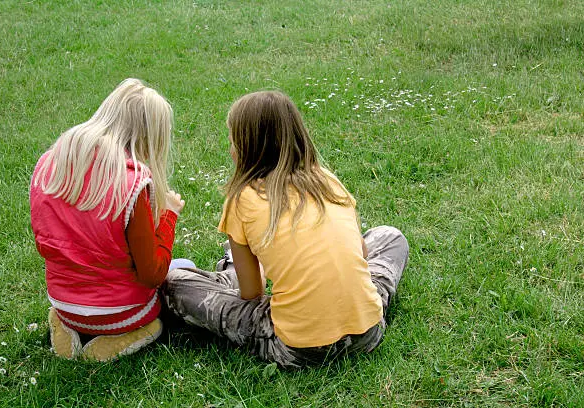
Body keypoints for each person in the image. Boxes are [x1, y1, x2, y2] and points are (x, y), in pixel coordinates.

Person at [163, 90, 409, 368]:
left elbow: (252, 293)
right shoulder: (326, 179)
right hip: (368, 333)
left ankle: (230, 270)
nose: (230, 148)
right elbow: (363, 254)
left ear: (247, 147)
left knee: (175, 283)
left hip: (299, 348)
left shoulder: (242, 198)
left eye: (232, 140)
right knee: (390, 236)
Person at [30, 78, 190, 361]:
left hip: (63, 303)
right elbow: (152, 274)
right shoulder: (131, 183)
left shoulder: (49, 164)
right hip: (121, 314)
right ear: (147, 138)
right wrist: (168, 215)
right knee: (182, 269)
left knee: (69, 306)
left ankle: (65, 328)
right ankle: (118, 340)